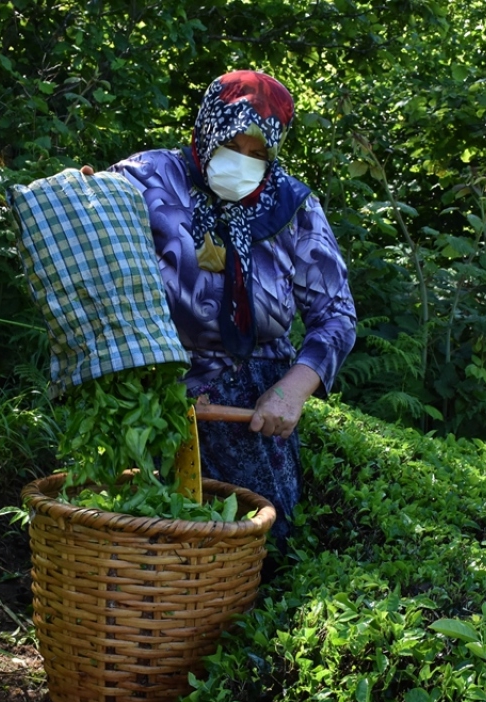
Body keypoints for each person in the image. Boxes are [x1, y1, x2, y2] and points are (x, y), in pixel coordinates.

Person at [101, 70, 357, 547]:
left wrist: (293, 391)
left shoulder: (293, 207)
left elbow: (335, 315)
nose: (243, 162)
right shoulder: (148, 181)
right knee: (141, 538)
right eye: (233, 145)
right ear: (207, 128)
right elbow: (93, 253)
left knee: (246, 549)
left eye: (258, 154)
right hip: (151, 394)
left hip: (251, 408)